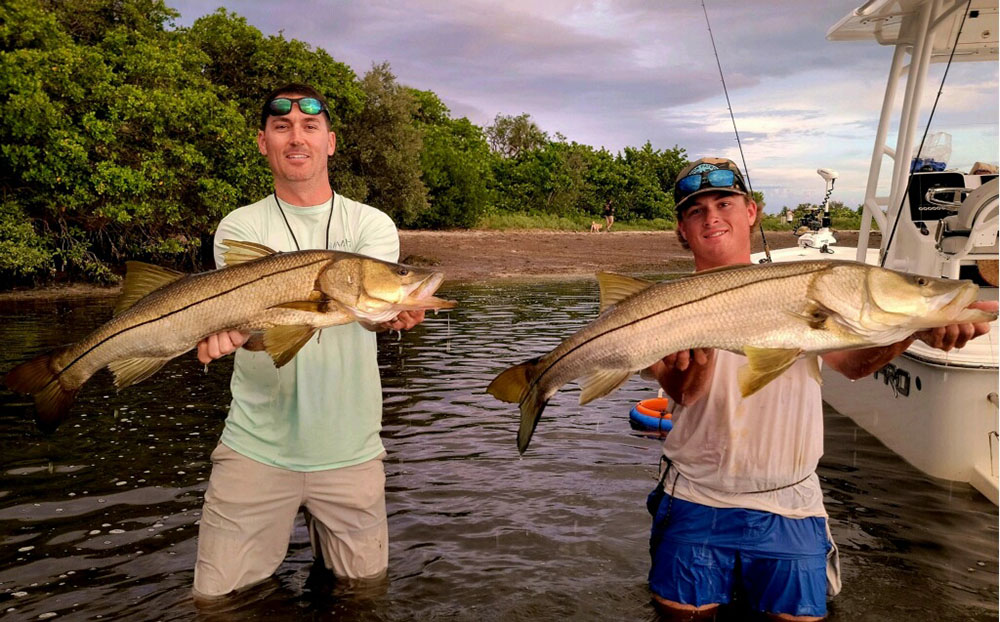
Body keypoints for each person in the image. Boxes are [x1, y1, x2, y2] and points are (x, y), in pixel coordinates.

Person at [645, 157, 996, 621]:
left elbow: (852, 365)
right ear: (682, 230)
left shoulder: (814, 289)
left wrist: (910, 330)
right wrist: (698, 358)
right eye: (696, 210)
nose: (712, 216)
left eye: (724, 203)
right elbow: (685, 393)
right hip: (696, 496)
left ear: (751, 211)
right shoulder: (658, 309)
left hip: (791, 502)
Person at [190, 83, 426, 602]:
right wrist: (229, 337)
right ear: (263, 143)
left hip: (350, 452)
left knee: (362, 600)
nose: (296, 137)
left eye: (309, 126)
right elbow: (253, 329)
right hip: (254, 449)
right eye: (282, 127)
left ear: (331, 141)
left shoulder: (371, 224)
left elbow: (365, 312)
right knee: (216, 603)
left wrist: (389, 316)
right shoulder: (238, 227)